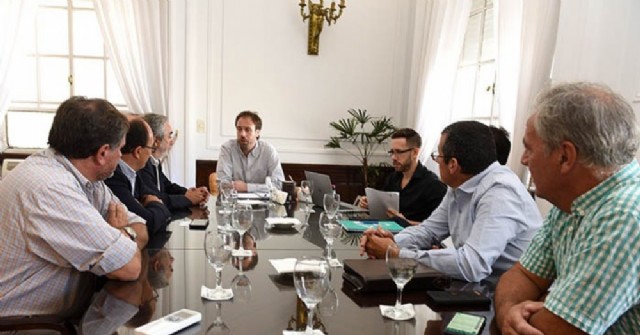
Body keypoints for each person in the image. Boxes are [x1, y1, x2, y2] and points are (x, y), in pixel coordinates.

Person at [495, 82, 640, 335]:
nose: (523, 160)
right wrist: (509, 313)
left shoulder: (625, 215)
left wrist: (531, 310)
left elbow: (557, 330)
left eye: (529, 148)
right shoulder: (574, 199)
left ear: (565, 156)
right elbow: (522, 276)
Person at [0, 96, 148, 317]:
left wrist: (123, 234)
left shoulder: (83, 176)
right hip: (28, 327)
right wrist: (120, 232)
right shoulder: (50, 190)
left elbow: (139, 224)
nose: (121, 156)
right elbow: (129, 267)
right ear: (103, 153)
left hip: (65, 315)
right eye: (121, 149)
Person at [360, 121, 542, 282]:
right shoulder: (459, 186)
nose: (436, 161)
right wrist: (393, 240)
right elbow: (428, 231)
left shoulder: (500, 193)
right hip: (472, 288)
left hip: (502, 298)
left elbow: (473, 266)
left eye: (437, 156)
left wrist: (396, 254)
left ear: (453, 164)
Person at [358, 128, 446, 224]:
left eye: (399, 152)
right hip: (387, 232)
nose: (393, 157)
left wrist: (403, 221)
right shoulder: (393, 178)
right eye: (392, 152)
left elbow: (438, 228)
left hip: (413, 237)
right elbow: (385, 209)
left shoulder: (434, 185)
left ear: (415, 152)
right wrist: (370, 204)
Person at [105, 118, 172, 234]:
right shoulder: (114, 177)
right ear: (138, 152)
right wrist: (155, 203)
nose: (151, 153)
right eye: (151, 148)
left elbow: (160, 211)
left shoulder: (135, 174)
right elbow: (149, 222)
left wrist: (154, 204)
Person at [140, 113, 209, 210]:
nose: (171, 141)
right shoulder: (142, 164)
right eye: (169, 136)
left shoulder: (154, 161)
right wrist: (188, 198)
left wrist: (189, 193)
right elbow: (156, 197)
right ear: (156, 141)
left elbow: (167, 186)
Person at [216, 110, 285, 193]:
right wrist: (263, 187)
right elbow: (223, 185)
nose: (242, 134)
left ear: (257, 133)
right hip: (234, 202)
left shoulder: (268, 151)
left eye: (247, 130)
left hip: (262, 204)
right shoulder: (227, 149)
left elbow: (279, 185)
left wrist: (247, 187)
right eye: (239, 129)